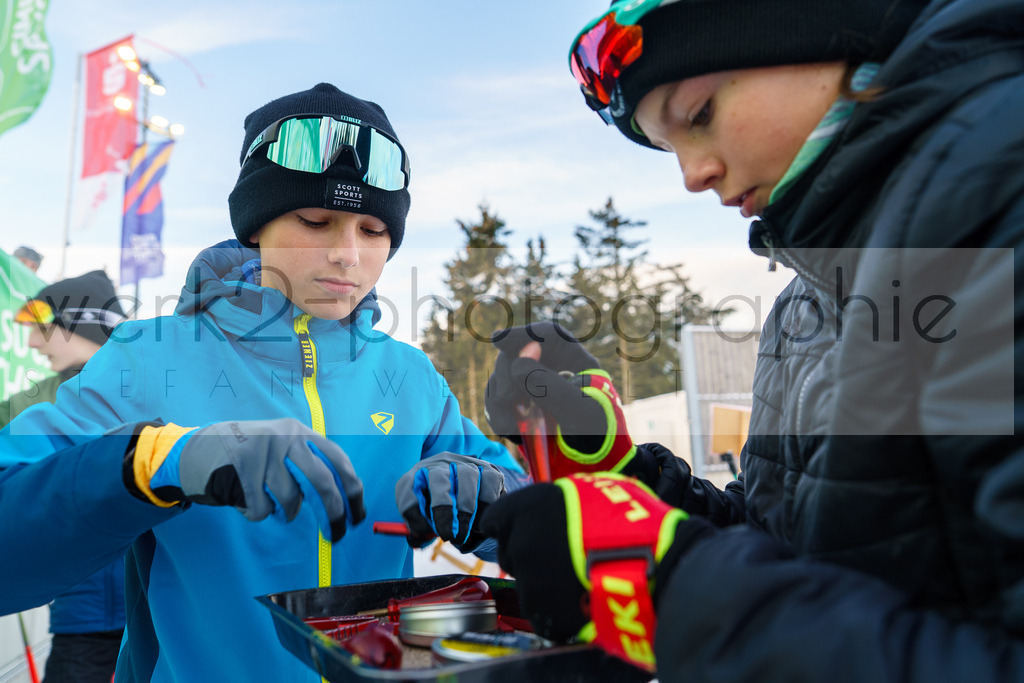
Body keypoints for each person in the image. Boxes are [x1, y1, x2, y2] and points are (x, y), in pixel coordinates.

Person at [480, 0, 1024, 681]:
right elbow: (791, 554)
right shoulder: (807, 300)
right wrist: (624, 482)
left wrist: (672, 589)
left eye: (700, 113)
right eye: (667, 148)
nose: (691, 175)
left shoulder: (998, 184)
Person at [1, 83, 525, 682]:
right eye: (315, 220)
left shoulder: (409, 377)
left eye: (374, 229)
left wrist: (493, 494)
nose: (347, 255)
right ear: (256, 225)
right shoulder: (149, 358)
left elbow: (535, 520)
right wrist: (155, 461)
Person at [0, 271, 129, 683]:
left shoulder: (159, 384)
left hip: (157, 616)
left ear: (82, 322)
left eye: (42, 328)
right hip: (81, 617)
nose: (33, 343)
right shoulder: (36, 400)